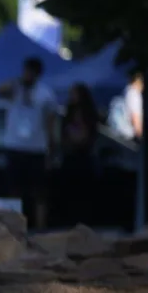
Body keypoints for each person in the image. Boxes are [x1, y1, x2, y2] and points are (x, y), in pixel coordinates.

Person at [0, 56, 59, 229]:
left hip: (36, 148)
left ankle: (40, 227)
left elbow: (51, 122)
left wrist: (51, 148)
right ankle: (14, 227)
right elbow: (0, 90)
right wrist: (17, 82)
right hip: (15, 147)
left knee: (39, 193)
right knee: (14, 191)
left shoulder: (45, 94)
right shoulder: (15, 88)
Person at [59, 82, 99, 225]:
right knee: (70, 195)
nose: (71, 97)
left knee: (84, 196)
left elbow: (87, 136)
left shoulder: (88, 115)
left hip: (84, 159)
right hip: (70, 159)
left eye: (74, 94)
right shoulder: (68, 114)